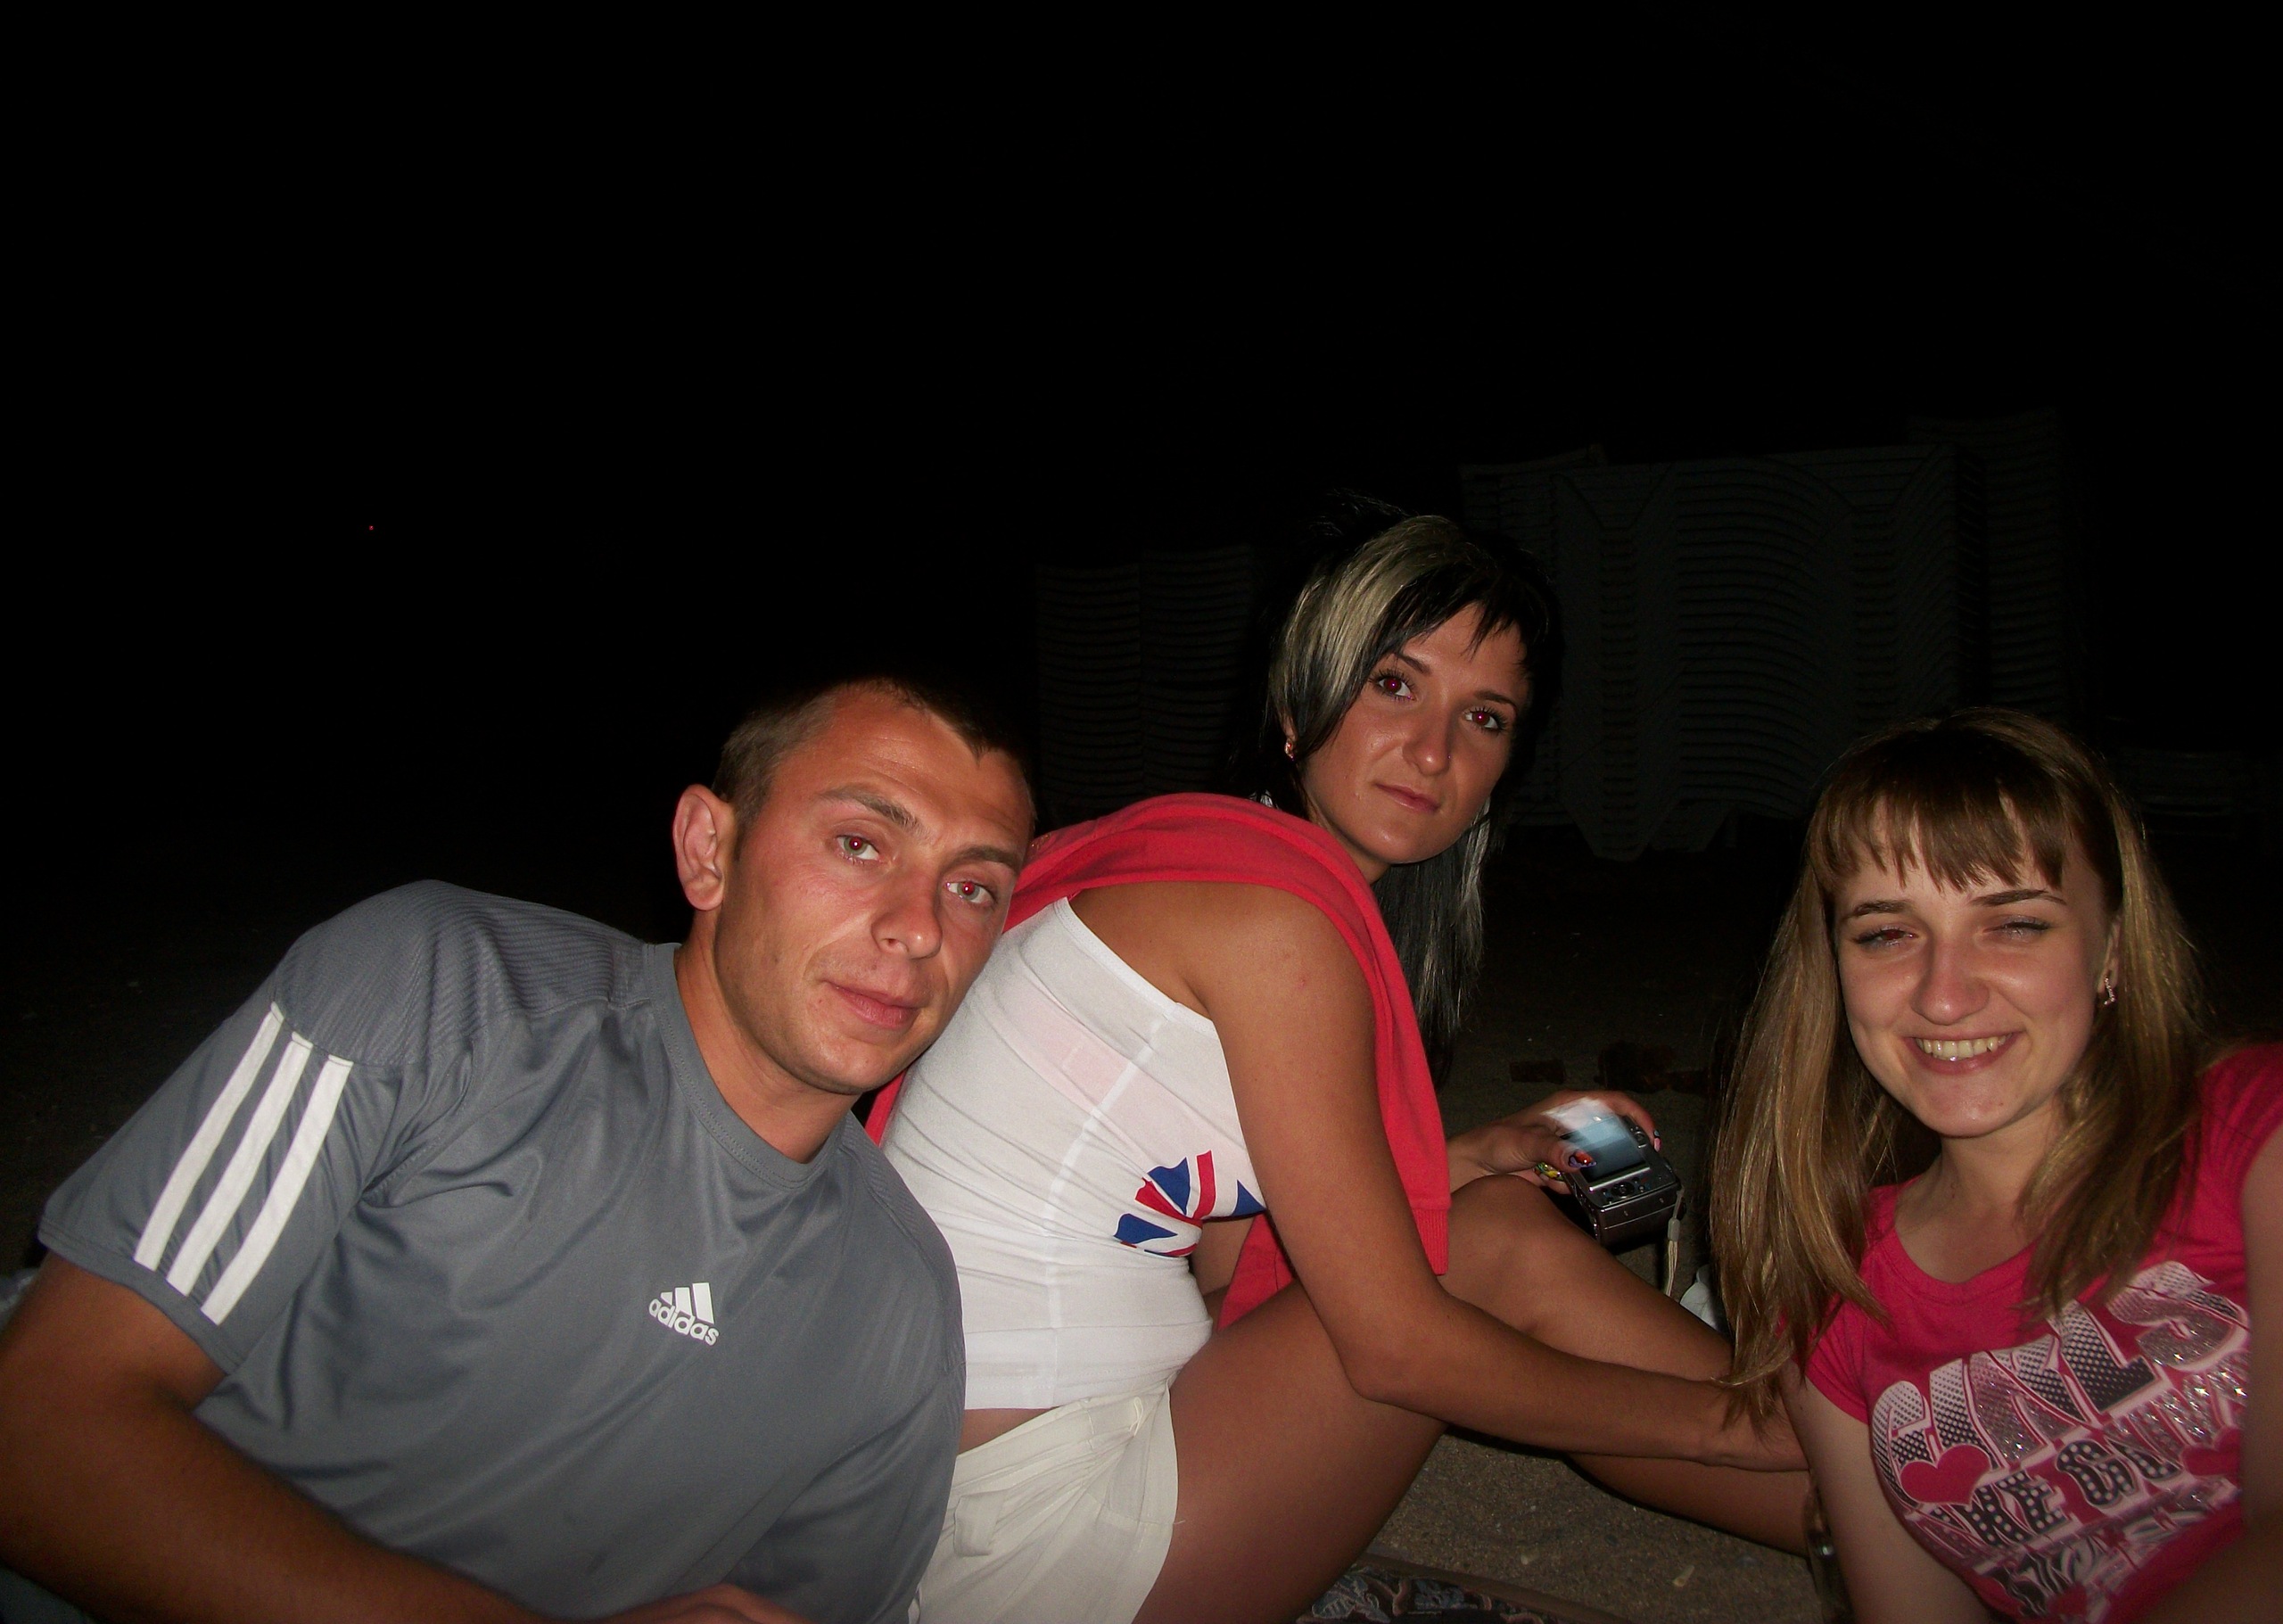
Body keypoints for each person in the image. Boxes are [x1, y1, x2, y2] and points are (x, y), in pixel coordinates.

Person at [873, 505, 1808, 1624]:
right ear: (1294, 704)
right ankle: (1840, 1457)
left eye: (1485, 717)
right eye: (1393, 685)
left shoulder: (1203, 863)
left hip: (963, 1491)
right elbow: (1393, 1348)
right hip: (1037, 1541)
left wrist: (1468, 1155)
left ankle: (1868, 1486)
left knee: (1486, 1222)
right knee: (1494, 1252)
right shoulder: (1273, 928)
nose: (1433, 751)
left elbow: (1236, 1263)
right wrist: (1728, 1428)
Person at [0, 675, 1035, 1624]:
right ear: (707, 850)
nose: (918, 929)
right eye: (859, 843)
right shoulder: (444, 994)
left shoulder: (900, 1305)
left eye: (973, 889)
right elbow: (37, 1433)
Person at [1710, 708, 2280, 1622]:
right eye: (1886, 933)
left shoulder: (2254, 1132)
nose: (1944, 995)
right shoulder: (1831, 1292)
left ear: (2111, 947)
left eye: (2013, 924)